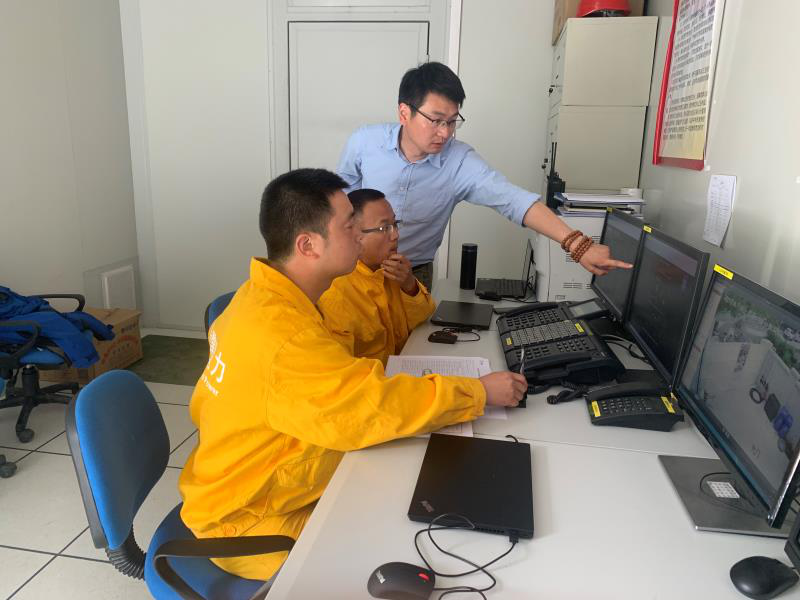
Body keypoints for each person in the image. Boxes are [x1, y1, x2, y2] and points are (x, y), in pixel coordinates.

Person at [178, 168, 527, 583]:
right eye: (349, 226)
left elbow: (350, 390)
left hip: (262, 480)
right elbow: (366, 407)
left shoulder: (265, 297)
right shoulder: (285, 336)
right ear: (308, 245)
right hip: (246, 520)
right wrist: (477, 393)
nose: (360, 238)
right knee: (389, 559)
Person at [337, 61, 631, 291]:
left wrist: (578, 246)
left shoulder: (459, 161)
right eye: (436, 121)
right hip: (355, 271)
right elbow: (341, 204)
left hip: (413, 274)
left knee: (411, 346)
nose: (445, 133)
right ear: (404, 113)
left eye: (452, 122)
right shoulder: (364, 143)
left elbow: (514, 200)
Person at [319, 188, 434, 365]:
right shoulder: (336, 293)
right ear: (354, 235)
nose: (395, 235)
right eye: (384, 228)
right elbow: (342, 369)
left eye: (395, 224)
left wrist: (409, 285)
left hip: (402, 367)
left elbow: (424, 319)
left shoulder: (391, 270)